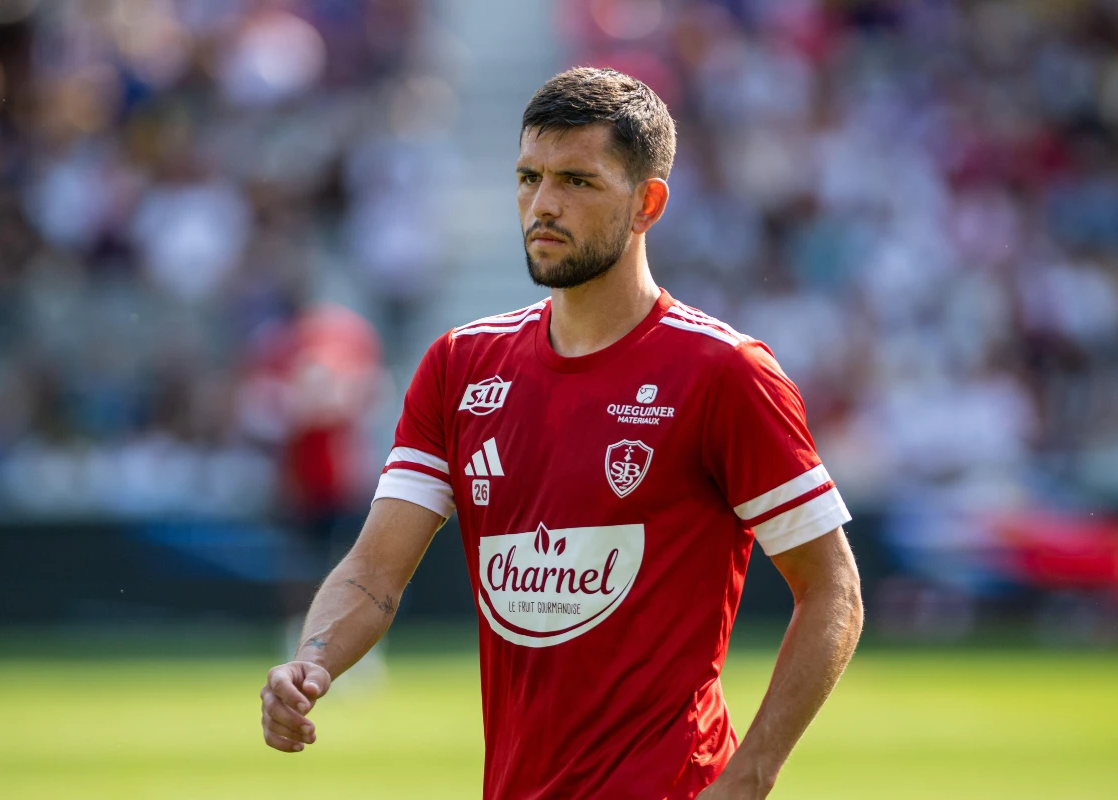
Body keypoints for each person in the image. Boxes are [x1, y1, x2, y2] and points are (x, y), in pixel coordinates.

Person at [259, 67, 864, 799]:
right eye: (529, 177)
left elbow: (832, 589)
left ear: (647, 204)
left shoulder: (725, 372)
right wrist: (313, 659)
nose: (543, 204)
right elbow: (373, 570)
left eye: (577, 181)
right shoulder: (460, 366)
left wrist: (749, 777)